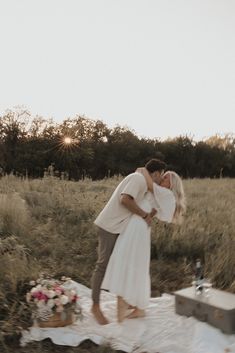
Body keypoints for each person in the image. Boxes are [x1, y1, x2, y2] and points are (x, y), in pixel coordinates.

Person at [101, 168, 186, 322]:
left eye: (165, 177)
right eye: (162, 175)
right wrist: (148, 215)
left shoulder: (165, 193)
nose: (161, 178)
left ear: (172, 183)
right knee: (133, 262)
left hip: (137, 229)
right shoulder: (159, 194)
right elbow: (154, 210)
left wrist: (144, 170)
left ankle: (127, 306)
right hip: (136, 227)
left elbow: (145, 177)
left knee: (126, 260)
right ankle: (138, 307)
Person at [91, 159, 166, 325]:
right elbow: (125, 199)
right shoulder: (137, 179)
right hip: (109, 226)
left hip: (119, 228)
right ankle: (95, 306)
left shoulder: (142, 180)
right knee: (102, 265)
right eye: (161, 175)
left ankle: (129, 300)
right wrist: (144, 215)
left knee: (120, 264)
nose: (161, 180)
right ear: (155, 173)